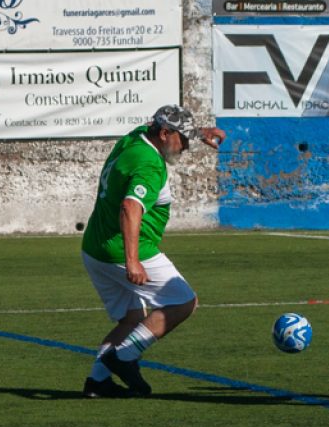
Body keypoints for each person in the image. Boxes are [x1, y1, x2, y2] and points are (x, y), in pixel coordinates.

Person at [80, 105, 225, 398]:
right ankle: (125, 357)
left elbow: (161, 127)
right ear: (163, 134)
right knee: (184, 302)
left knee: (133, 319)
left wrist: (199, 133)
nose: (184, 147)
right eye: (182, 140)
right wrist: (133, 261)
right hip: (127, 252)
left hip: (94, 248)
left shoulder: (134, 138)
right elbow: (130, 207)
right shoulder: (149, 165)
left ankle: (97, 381)